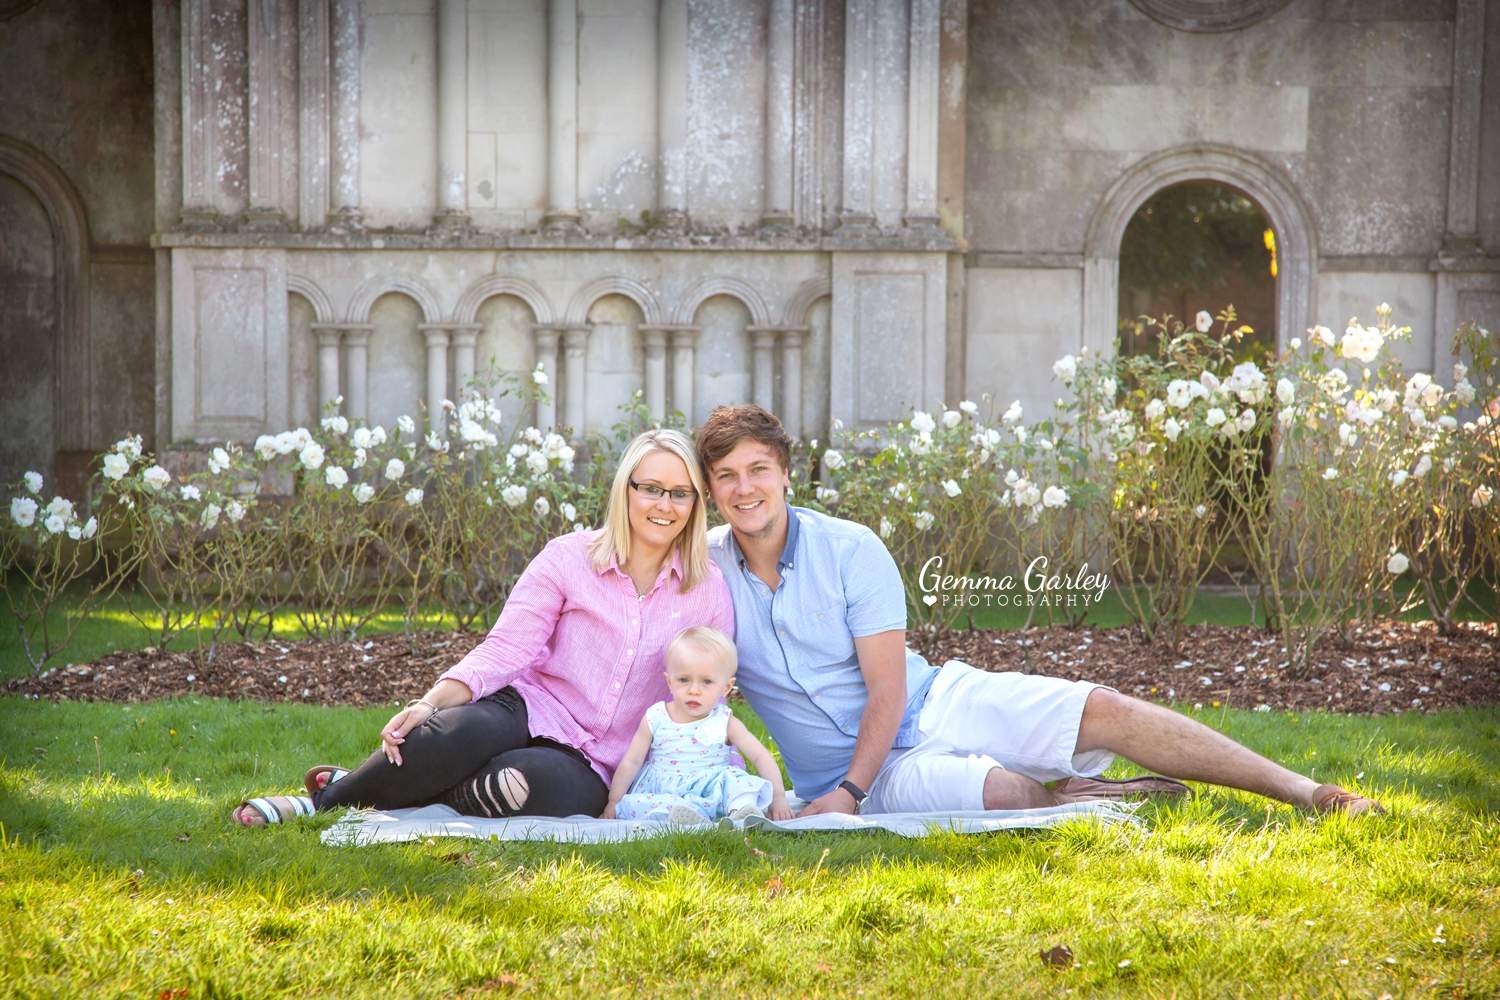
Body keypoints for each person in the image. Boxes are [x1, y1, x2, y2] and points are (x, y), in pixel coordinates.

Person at [695, 404, 1384, 819]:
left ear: (787, 472)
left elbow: (887, 687)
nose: (744, 487)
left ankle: (1308, 792)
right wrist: (847, 791)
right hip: (860, 777)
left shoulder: (849, 549)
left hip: (930, 702)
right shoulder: (706, 572)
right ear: (711, 491)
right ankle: (1092, 795)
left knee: (1102, 707)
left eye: (758, 469)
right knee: (1005, 797)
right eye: (726, 475)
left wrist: (849, 788)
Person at [232, 428, 733, 826]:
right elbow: (505, 647)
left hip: (599, 760)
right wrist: (430, 702)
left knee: (523, 787)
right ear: (626, 490)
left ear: (695, 503)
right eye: (650, 488)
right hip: (533, 707)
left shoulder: (707, 588)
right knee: (454, 733)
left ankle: (403, 785)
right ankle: (324, 803)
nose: (664, 505)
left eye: (680, 493)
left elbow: (713, 696)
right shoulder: (567, 558)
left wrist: (723, 783)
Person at [603, 625, 794, 825]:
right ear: (670, 682)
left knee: (739, 784)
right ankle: (687, 816)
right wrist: (614, 801)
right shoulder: (656, 717)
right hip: (667, 791)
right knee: (643, 804)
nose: (694, 690)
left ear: (726, 687)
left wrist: (779, 798)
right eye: (684, 679)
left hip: (712, 790)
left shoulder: (725, 721)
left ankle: (740, 811)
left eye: (707, 682)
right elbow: (632, 762)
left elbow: (760, 755)